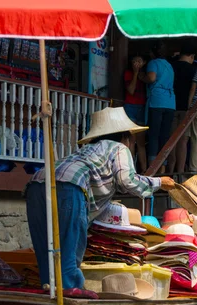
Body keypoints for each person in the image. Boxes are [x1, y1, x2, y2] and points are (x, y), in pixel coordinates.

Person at [25, 107, 176, 290]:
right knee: (68, 254)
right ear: (125, 137)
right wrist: (159, 182)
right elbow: (127, 179)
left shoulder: (88, 150)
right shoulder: (119, 147)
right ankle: (69, 297)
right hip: (69, 186)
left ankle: (50, 292)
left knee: (46, 252)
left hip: (37, 184)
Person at [141, 41, 176, 166]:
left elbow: (151, 78)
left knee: (154, 134)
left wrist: (141, 77)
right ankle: (163, 166)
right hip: (170, 103)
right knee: (164, 135)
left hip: (157, 101)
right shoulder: (169, 65)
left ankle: (152, 165)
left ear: (152, 53)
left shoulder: (153, 63)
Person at [169, 43, 197, 174]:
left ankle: (169, 170)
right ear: (192, 56)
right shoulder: (194, 70)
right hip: (186, 108)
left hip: (170, 105)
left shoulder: (171, 66)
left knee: (171, 139)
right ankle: (180, 171)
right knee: (183, 140)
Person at [123, 55, 148, 171]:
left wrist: (140, 74)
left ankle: (145, 172)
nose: (137, 63)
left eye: (139, 61)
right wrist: (135, 73)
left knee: (141, 142)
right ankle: (131, 170)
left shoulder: (145, 76)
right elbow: (131, 90)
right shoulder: (128, 73)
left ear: (144, 63)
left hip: (142, 108)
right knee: (131, 141)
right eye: (134, 61)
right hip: (130, 106)